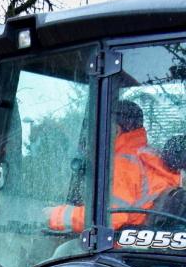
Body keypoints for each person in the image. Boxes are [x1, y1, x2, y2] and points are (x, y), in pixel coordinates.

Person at [47, 100, 179, 234]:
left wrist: (56, 215)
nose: (93, 136)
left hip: (120, 246)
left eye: (99, 129)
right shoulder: (151, 156)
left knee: (64, 251)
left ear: (116, 130)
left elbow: (110, 218)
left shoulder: (122, 165)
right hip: (144, 239)